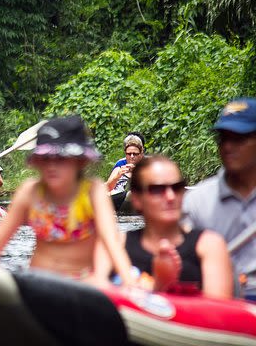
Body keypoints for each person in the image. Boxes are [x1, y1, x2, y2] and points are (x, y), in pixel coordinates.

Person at [0, 116, 134, 285]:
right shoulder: (30, 191)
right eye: (45, 159)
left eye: (60, 159)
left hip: (83, 284)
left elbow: (111, 243)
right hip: (39, 283)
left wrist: (130, 285)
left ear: (80, 161)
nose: (51, 166)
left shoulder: (93, 191)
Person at [94, 155, 233, 298]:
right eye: (157, 189)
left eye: (177, 187)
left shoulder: (209, 245)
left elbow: (217, 311)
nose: (170, 196)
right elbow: (97, 295)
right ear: (136, 199)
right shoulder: (116, 244)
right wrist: (157, 286)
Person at [182, 97, 256, 296]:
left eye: (238, 139)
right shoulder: (197, 201)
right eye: (224, 138)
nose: (228, 147)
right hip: (218, 298)